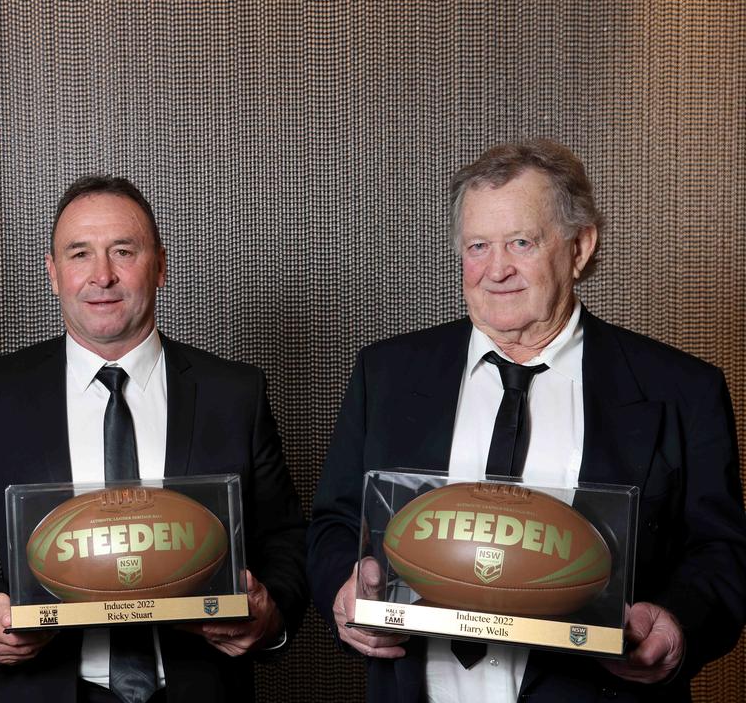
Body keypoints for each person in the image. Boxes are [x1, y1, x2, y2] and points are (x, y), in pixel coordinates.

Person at [307, 139, 746, 702]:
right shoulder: (386, 373)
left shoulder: (681, 390)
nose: (497, 270)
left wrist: (680, 622)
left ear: (580, 247)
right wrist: (345, 592)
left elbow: (721, 551)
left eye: (521, 242)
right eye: (477, 246)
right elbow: (335, 526)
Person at [0, 175, 307, 703]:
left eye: (123, 251)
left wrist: (268, 615)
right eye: (80, 254)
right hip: (50, 686)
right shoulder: (0, 391)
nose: (101, 276)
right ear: (54, 273)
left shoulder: (233, 392)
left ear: (161, 266)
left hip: (200, 687)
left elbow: (284, 535)